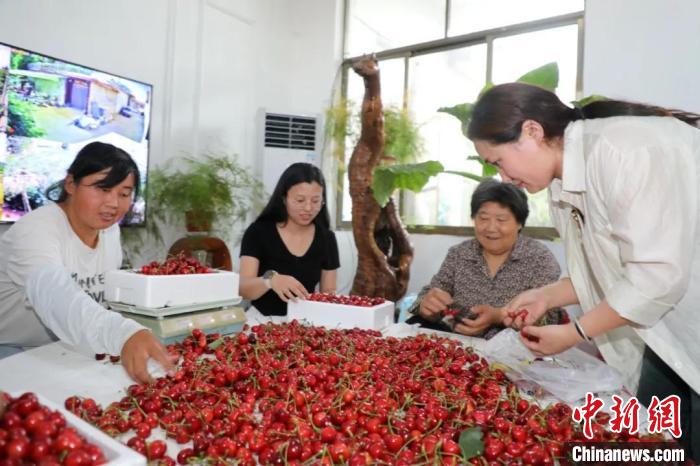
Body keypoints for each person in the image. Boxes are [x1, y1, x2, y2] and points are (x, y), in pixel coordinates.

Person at [468, 82, 700, 458]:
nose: (505, 178)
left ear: (532, 131)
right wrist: (546, 295)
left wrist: (576, 332)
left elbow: (656, 276)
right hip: (664, 333)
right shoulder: (562, 183)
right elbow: (607, 268)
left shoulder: (624, 149)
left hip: (685, 318)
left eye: (498, 162)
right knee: (657, 446)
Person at [0, 142, 175, 383]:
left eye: (124, 194)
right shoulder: (36, 229)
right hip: (11, 349)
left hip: (64, 347)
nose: (114, 203)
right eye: (102, 189)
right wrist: (122, 334)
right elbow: (55, 295)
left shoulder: (110, 232)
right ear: (71, 184)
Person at [407, 178, 565, 338]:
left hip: (517, 354)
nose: (491, 228)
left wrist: (499, 317)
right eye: (483, 218)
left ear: (519, 223)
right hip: (459, 347)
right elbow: (432, 292)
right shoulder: (460, 254)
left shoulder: (540, 259)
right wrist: (427, 305)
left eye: (501, 220)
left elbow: (549, 320)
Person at [239, 163, 339, 316]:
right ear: (284, 198)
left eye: (315, 201)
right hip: (262, 322)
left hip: (306, 323)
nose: (307, 208)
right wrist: (270, 280)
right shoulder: (258, 232)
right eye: (300, 200)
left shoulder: (327, 238)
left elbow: (329, 292)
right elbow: (243, 289)